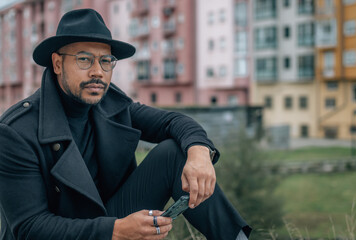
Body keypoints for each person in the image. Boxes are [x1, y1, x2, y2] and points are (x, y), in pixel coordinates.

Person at [0, 8, 251, 240]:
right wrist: (115, 230)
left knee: (175, 152)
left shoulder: (112, 106)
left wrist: (199, 152)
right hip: (74, 233)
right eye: (84, 60)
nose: (98, 71)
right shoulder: (16, 131)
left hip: (110, 222)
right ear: (57, 63)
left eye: (106, 61)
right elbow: (30, 227)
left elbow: (174, 121)